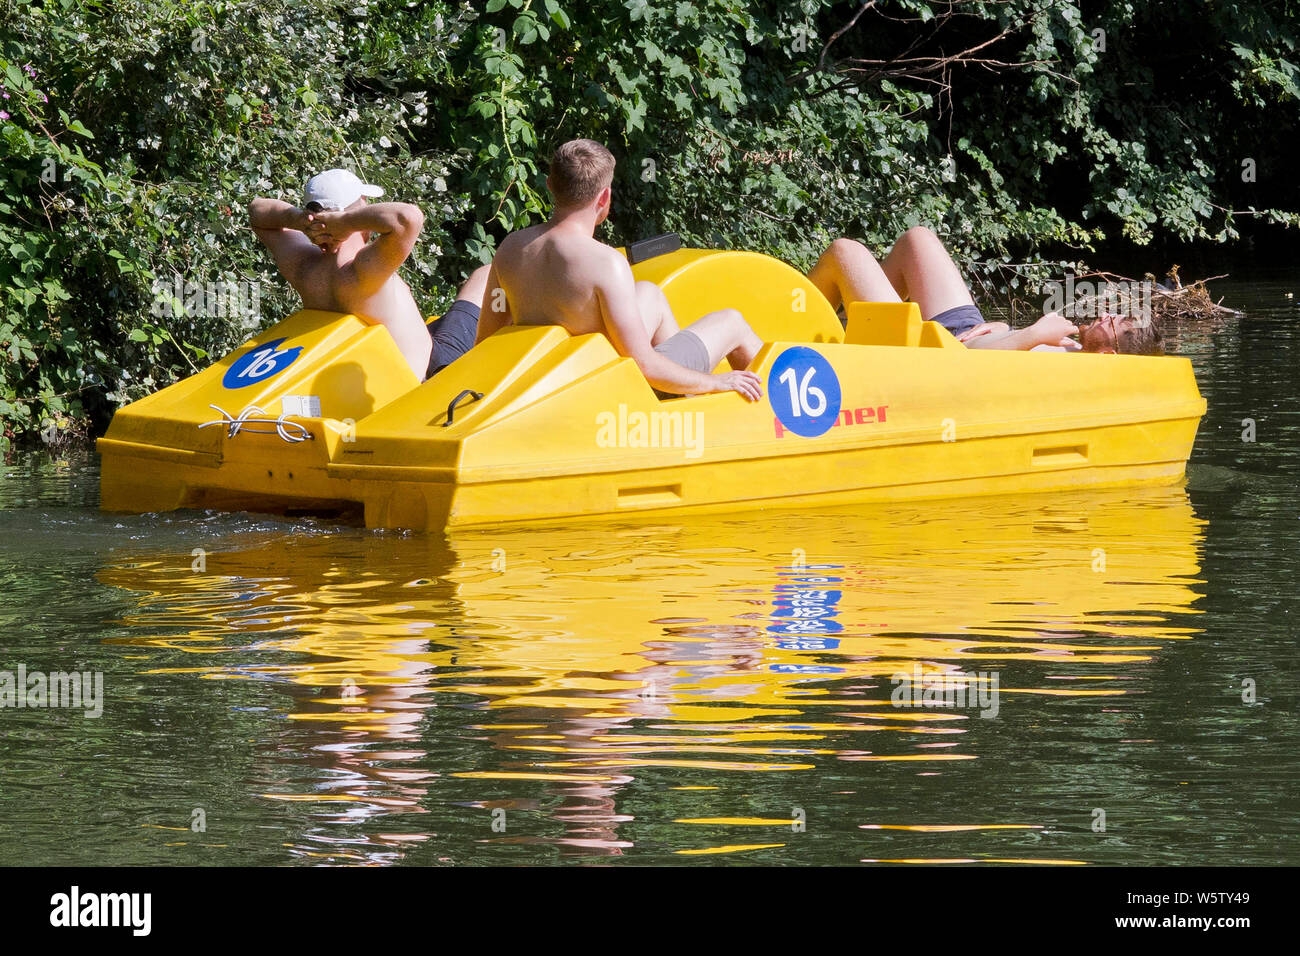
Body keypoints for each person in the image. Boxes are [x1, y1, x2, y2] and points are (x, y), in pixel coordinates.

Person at [481, 139, 764, 400]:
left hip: (561, 387)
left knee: (649, 293)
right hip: (617, 393)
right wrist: (716, 382)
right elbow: (644, 366)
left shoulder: (510, 249)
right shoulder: (605, 264)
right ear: (604, 198)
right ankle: (780, 418)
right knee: (732, 321)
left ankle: (685, 401)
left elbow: (485, 343)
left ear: (550, 185)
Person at [248, 168, 488, 381]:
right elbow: (408, 218)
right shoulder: (361, 270)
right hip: (432, 373)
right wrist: (346, 221)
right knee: (486, 273)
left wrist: (299, 219)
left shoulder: (302, 264)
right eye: (365, 205)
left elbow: (257, 210)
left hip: (380, 374)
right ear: (354, 216)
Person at [808, 231, 1080, 350]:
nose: (1107, 317)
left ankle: (780, 337)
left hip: (932, 354)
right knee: (916, 240)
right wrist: (1006, 330)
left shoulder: (1084, 368)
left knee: (846, 252)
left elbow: (979, 369)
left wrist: (1033, 334)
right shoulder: (1078, 345)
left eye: (1119, 324)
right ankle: (853, 326)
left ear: (1109, 354)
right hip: (964, 329)